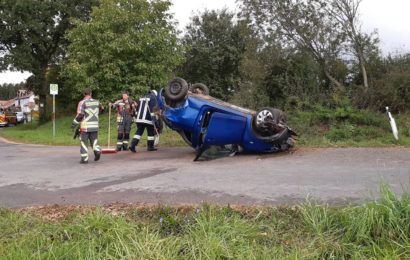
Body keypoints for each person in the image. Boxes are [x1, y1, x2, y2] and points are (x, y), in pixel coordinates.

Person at [71, 88, 102, 164]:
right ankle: (97, 150)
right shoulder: (97, 102)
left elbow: (80, 115)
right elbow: (102, 109)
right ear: (91, 94)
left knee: (84, 143)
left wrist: (74, 124)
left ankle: (84, 159)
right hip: (94, 126)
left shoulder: (82, 103)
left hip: (85, 127)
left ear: (84, 94)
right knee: (94, 141)